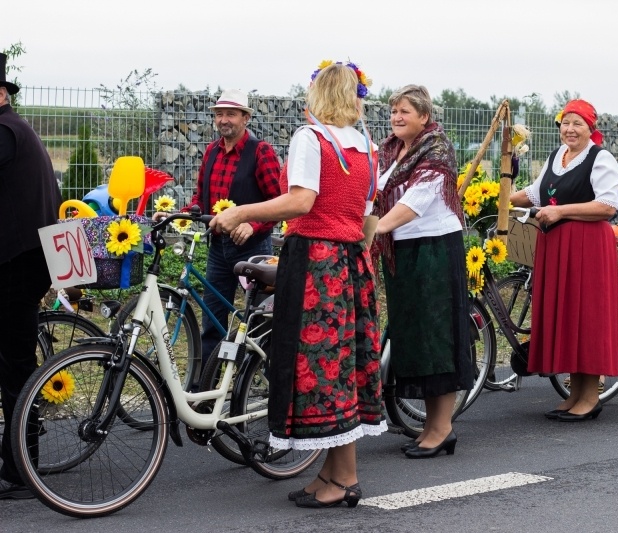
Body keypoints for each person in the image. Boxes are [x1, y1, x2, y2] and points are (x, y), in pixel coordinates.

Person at [210, 61, 384, 508]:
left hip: (315, 261)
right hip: (349, 262)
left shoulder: (312, 138)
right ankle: (331, 471)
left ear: (318, 95)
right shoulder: (367, 146)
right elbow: (368, 217)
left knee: (321, 369)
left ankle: (344, 478)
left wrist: (240, 212)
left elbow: (301, 200)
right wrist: (359, 262)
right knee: (341, 365)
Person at [373, 85, 472, 458]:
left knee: (436, 339)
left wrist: (375, 229)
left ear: (424, 117)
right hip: (404, 251)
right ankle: (430, 426)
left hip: (433, 250)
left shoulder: (436, 150)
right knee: (413, 337)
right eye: (394, 111)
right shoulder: (392, 151)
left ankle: (442, 428)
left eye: (405, 112)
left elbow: (416, 203)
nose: (397, 117)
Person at [509, 98, 618, 421]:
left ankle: (589, 397)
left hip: (588, 246)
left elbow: (607, 206)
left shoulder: (600, 159)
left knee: (586, 317)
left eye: (577, 123)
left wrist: (560, 211)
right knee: (569, 315)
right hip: (558, 246)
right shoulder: (557, 156)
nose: (570, 129)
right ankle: (574, 393)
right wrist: (495, 197)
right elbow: (535, 192)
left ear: (590, 129)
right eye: (566, 123)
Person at [156, 88, 281, 371]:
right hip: (218, 248)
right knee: (212, 319)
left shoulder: (260, 152)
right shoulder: (211, 151)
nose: (224, 120)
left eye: (231, 114)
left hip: (252, 249)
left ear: (245, 118)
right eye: (220, 114)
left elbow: (279, 201)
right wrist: (177, 213)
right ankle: (207, 385)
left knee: (259, 321)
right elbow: (201, 200)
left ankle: (259, 382)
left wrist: (252, 223)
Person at [0, 52, 62, 499]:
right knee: (13, 361)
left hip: (17, 265)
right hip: (24, 260)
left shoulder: (5, 131)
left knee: (16, 365)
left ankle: (23, 467)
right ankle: (18, 459)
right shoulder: (14, 128)